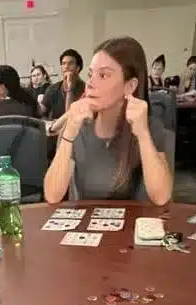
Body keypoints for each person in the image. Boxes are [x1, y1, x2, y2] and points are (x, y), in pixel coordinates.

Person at [43, 36, 172, 205]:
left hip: (134, 227)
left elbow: (162, 198)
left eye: (103, 75)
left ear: (130, 86)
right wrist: (69, 132)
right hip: (88, 227)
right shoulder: (79, 126)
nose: (90, 83)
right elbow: (52, 196)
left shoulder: (150, 127)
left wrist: (143, 134)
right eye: (90, 74)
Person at [42, 49, 86, 134]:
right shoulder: (52, 89)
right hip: (54, 134)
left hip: (76, 135)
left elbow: (70, 118)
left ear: (78, 68)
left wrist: (70, 88)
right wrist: (51, 122)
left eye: (70, 63)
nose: (66, 67)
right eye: (63, 63)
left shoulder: (85, 90)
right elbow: (42, 114)